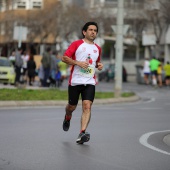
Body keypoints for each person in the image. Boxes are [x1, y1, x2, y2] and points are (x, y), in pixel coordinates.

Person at [61, 22, 103, 144]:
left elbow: (96, 62)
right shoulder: (77, 44)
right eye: (90, 30)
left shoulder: (97, 48)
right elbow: (64, 58)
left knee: (87, 106)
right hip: (75, 81)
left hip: (90, 82)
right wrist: (78, 63)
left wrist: (99, 65)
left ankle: (82, 132)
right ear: (84, 32)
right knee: (71, 107)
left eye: (95, 30)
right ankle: (67, 117)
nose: (93, 32)